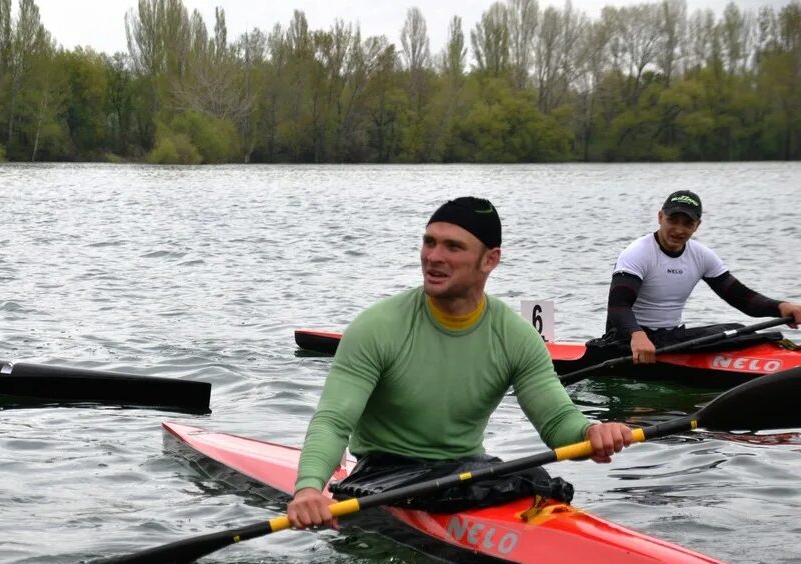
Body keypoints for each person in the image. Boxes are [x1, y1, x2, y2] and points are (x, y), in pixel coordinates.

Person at [287, 197, 633, 530]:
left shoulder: (516, 337)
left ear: (490, 260)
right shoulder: (378, 328)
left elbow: (557, 422)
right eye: (429, 242)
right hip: (380, 474)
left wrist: (592, 433)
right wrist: (308, 488)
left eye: (453, 247)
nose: (433, 257)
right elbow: (333, 422)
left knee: (538, 480)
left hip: (466, 473)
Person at [602, 190, 801, 364]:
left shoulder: (701, 255)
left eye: (687, 223)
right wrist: (637, 335)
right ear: (660, 217)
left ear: (697, 225)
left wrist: (780, 307)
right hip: (627, 339)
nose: (679, 230)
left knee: (739, 330)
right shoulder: (638, 252)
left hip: (671, 338)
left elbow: (741, 298)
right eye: (672, 220)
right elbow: (618, 306)